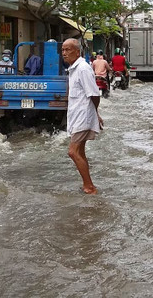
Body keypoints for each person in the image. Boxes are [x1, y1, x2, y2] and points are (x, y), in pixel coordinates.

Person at [61, 38, 103, 194]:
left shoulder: (83, 68)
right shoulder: (73, 68)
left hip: (82, 116)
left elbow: (94, 94)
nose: (64, 53)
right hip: (78, 115)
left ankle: (89, 187)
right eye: (63, 50)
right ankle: (88, 185)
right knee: (80, 152)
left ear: (77, 51)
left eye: (68, 50)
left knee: (73, 152)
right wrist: (96, 114)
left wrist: (94, 113)